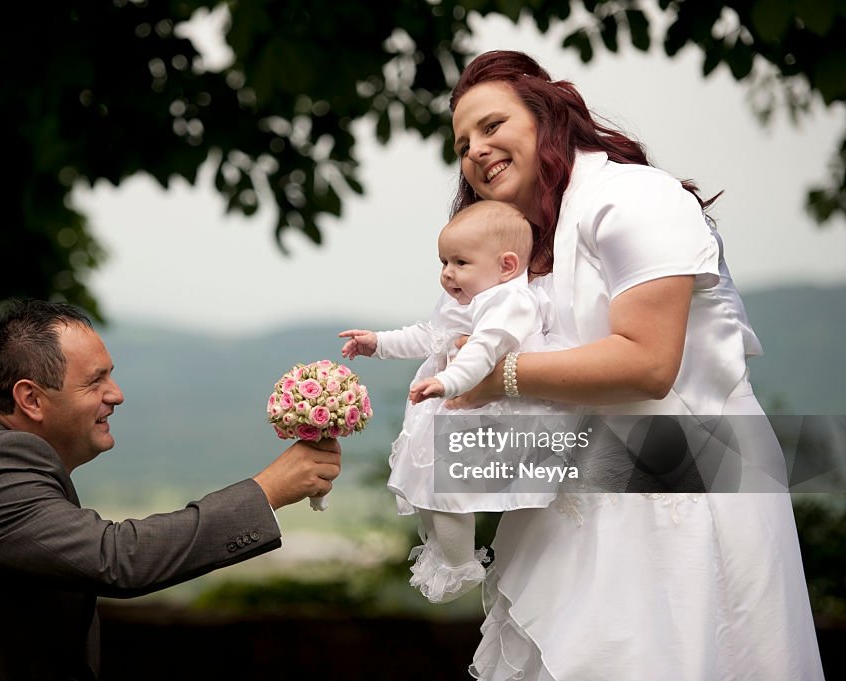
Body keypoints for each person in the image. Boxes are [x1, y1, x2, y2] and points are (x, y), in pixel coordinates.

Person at [438, 50, 825, 681]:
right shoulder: (534, 244)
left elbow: (648, 363)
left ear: (546, 117)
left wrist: (498, 379)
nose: (474, 151)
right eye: (461, 144)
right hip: (591, 499)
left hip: (690, 498)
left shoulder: (635, 198)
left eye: (491, 125)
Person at [0, 299, 341, 681]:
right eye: (95, 381)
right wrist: (267, 490)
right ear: (30, 399)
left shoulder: (2, 465)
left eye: (112, 376)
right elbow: (119, 558)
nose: (116, 394)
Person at [338, 200, 566, 604]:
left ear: (507, 266)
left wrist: (446, 381)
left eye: (460, 262)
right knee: (427, 486)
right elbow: (429, 335)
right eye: (443, 261)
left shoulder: (509, 303)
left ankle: (461, 563)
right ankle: (446, 554)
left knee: (449, 492)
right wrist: (378, 344)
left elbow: (483, 350)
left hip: (493, 418)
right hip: (457, 411)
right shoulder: (463, 301)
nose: (447, 273)